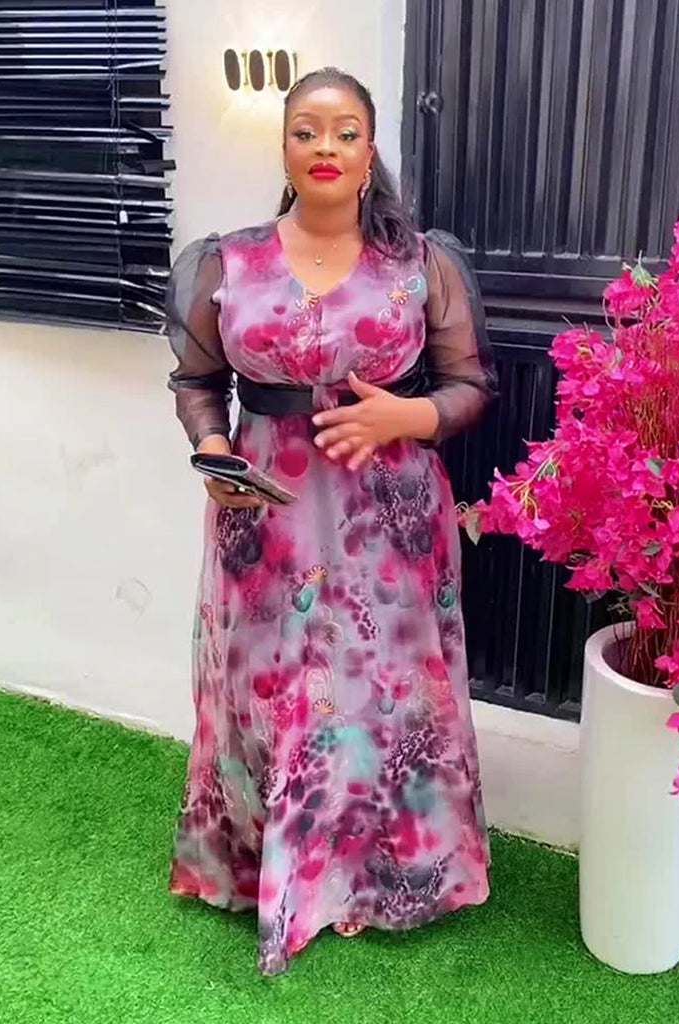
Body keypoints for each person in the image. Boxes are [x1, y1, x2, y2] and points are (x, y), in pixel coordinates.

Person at [166, 67, 496, 976]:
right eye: (306, 130)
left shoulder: (419, 264)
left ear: (368, 150)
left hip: (390, 524)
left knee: (385, 695)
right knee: (275, 691)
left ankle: (382, 875)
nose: (325, 147)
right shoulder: (226, 263)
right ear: (283, 147)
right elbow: (198, 382)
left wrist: (407, 415)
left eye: (345, 131)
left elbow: (471, 386)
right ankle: (269, 872)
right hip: (264, 521)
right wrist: (213, 451)